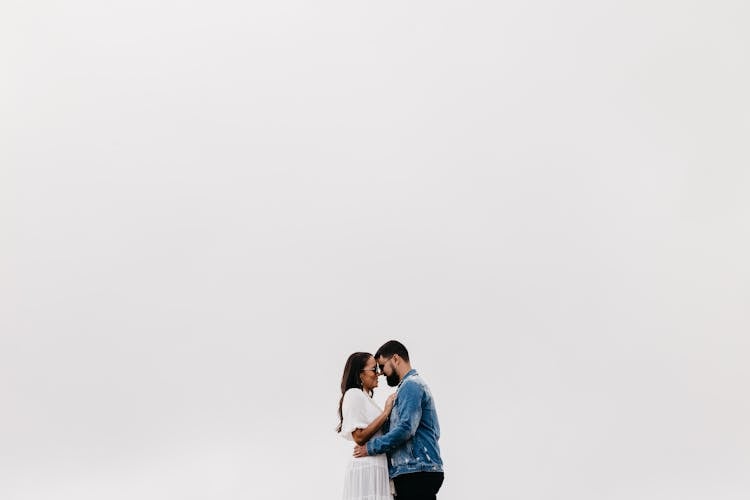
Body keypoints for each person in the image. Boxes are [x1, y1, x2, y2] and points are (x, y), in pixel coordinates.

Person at [353, 341, 444, 500]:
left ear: (395, 359)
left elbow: (406, 428)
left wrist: (370, 448)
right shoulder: (408, 387)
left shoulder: (411, 386)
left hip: (416, 472)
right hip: (415, 471)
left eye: (382, 366)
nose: (381, 373)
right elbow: (435, 431)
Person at [337, 352, 398, 500]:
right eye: (374, 369)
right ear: (360, 375)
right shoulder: (353, 394)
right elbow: (359, 437)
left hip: (377, 467)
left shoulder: (365, 398)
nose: (379, 373)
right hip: (367, 469)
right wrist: (385, 413)